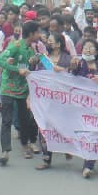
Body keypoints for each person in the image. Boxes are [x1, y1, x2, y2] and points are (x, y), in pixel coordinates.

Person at [0, 20, 40, 165]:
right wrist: (17, 69)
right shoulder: (15, 46)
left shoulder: (31, 49)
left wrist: (33, 62)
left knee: (24, 119)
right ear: (32, 33)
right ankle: (5, 151)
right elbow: (0, 60)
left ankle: (25, 145)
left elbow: (26, 66)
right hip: (8, 88)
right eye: (38, 32)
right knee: (6, 120)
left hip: (22, 90)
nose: (39, 35)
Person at [70, 38, 98, 178]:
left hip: (97, 108)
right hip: (80, 106)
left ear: (97, 51)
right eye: (85, 47)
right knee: (83, 134)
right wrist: (73, 67)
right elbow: (70, 76)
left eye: (91, 47)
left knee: (93, 135)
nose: (87, 49)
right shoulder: (78, 63)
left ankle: (88, 165)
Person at [35, 32, 73, 171]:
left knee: (62, 126)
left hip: (62, 100)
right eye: (48, 41)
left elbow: (74, 78)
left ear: (59, 43)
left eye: (51, 41)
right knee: (44, 127)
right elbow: (37, 77)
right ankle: (46, 158)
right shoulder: (44, 59)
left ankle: (67, 148)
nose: (48, 43)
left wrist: (62, 71)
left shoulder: (68, 59)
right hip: (45, 99)